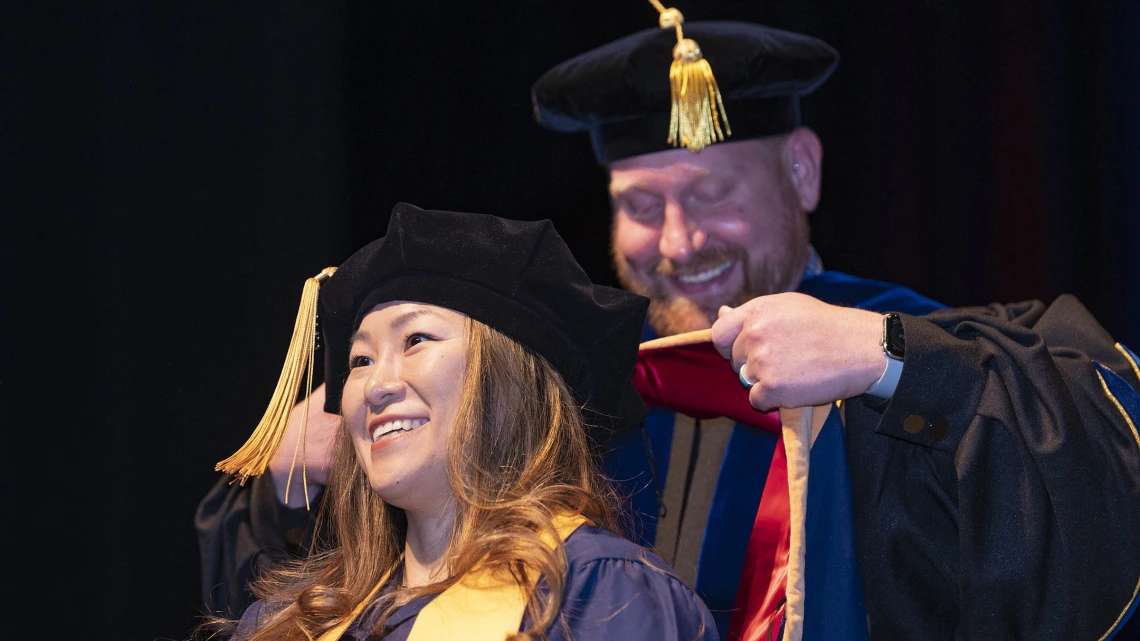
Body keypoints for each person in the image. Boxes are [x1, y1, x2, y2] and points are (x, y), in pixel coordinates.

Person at [199, 11, 1140, 640]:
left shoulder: (898, 347)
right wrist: (293, 480)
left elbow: (1105, 462)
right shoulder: (556, 397)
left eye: (716, 194)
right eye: (643, 205)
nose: (681, 241)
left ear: (803, 173)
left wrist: (887, 358)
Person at [202, 203, 718, 641]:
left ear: (511, 382)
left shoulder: (600, 597)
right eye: (360, 360)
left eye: (416, 340)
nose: (375, 385)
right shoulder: (294, 621)